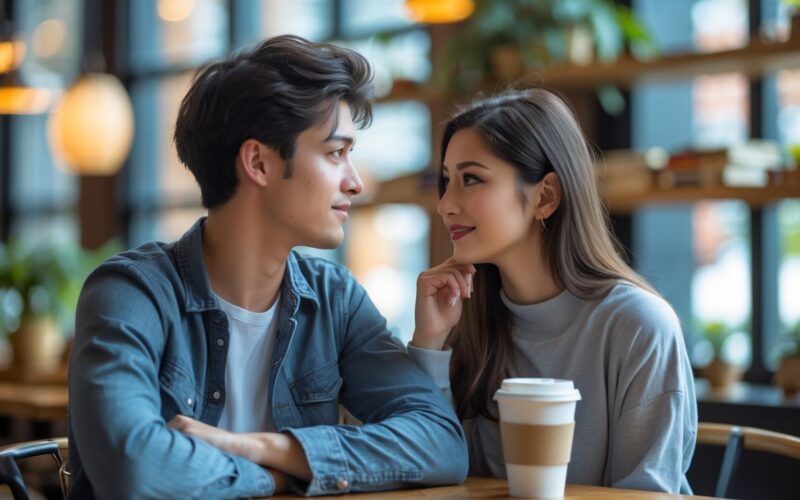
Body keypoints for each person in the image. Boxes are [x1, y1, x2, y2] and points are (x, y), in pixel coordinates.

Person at [67, 34, 467, 499]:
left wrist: (257, 447)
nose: (355, 182)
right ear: (258, 162)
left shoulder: (336, 300)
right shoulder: (130, 295)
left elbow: (441, 445)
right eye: (336, 153)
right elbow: (134, 469)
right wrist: (274, 479)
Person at [408, 88, 697, 493]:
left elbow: (644, 492)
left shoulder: (639, 326)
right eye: (446, 181)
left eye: (471, 179)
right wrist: (429, 345)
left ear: (545, 196)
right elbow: (427, 470)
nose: (445, 205)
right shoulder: (462, 320)